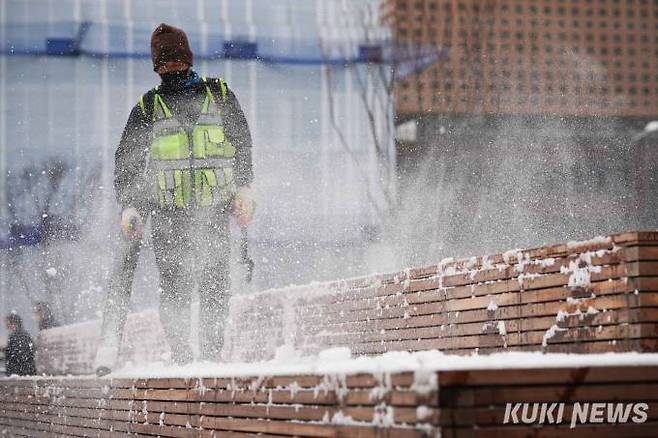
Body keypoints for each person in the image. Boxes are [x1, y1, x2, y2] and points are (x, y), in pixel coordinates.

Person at [94, 23, 255, 376]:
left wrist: (244, 189)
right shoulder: (148, 108)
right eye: (164, 62)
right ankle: (183, 361)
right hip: (169, 218)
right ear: (156, 67)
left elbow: (242, 144)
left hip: (214, 214)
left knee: (215, 287)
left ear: (188, 59)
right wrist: (131, 206)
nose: (172, 67)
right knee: (176, 290)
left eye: (176, 60)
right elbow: (129, 163)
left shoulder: (220, 96)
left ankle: (211, 361)